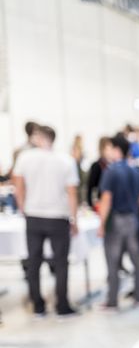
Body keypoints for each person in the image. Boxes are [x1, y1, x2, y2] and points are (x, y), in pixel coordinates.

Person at [12, 125, 79, 317]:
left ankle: (38, 306)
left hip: (34, 215)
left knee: (34, 261)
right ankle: (62, 306)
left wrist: (23, 207)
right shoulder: (65, 160)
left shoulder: (25, 158)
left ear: (39, 137)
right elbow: (72, 193)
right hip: (58, 216)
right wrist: (74, 219)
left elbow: (19, 185)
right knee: (60, 262)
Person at [97, 134, 139, 309]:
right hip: (133, 219)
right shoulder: (135, 170)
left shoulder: (111, 171)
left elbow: (106, 199)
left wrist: (102, 223)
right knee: (137, 259)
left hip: (117, 219)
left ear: (117, 149)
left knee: (113, 261)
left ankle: (112, 300)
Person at [87, 137, 113, 209]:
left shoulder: (115, 165)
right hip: (100, 203)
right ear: (102, 149)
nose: (110, 151)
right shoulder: (97, 166)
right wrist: (91, 205)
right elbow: (91, 187)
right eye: (108, 149)